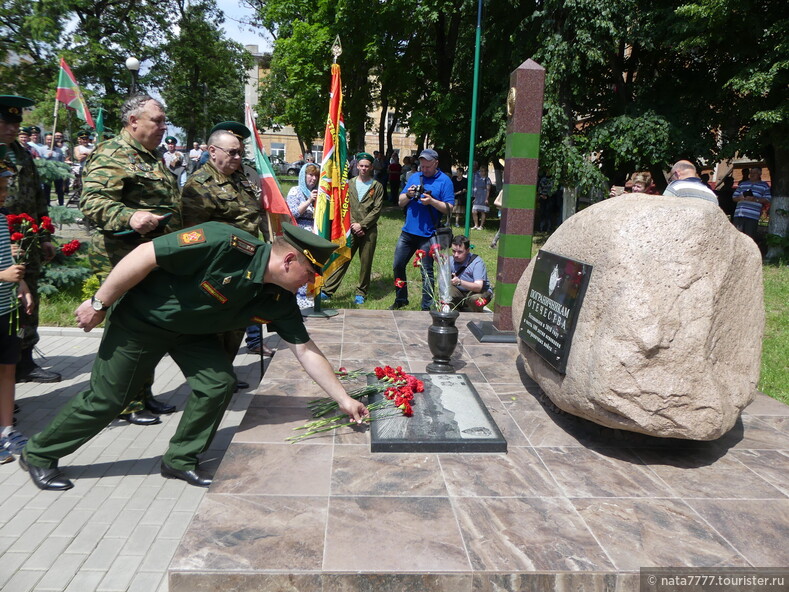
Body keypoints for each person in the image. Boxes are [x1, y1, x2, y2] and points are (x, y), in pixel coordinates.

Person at [19, 222, 369, 491]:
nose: (310, 284)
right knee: (109, 399)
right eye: (310, 275)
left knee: (218, 384)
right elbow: (145, 255)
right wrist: (99, 303)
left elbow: (304, 349)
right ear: (290, 260)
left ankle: (179, 459)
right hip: (142, 322)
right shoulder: (223, 242)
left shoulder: (279, 298)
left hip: (191, 333)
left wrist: (343, 399)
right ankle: (38, 453)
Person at [79, 94, 182, 425]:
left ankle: (142, 394)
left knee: (146, 329)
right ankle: (121, 403)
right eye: (158, 120)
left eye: (164, 121)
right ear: (133, 121)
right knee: (126, 332)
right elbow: (92, 202)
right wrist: (129, 216)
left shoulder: (151, 157)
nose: (163, 127)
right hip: (120, 259)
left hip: (151, 259)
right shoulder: (113, 154)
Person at [182, 121, 273, 362]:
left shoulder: (241, 177)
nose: (237, 157)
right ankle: (214, 378)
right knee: (216, 330)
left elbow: (255, 214)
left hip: (244, 267)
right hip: (217, 272)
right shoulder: (199, 185)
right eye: (232, 152)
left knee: (236, 325)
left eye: (240, 152)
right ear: (212, 151)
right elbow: (191, 235)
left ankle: (226, 369)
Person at [0, 95, 60, 383]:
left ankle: (25, 361)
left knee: (29, 297)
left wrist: (45, 235)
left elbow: (38, 197)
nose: (12, 129)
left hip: (27, 238)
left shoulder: (22, 154)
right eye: (5, 123)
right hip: (2, 240)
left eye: (16, 123)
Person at [391, 148, 454, 310]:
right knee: (398, 265)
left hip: (428, 235)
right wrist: (409, 195)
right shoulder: (414, 177)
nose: (424, 170)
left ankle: (426, 306)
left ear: (436, 164)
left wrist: (432, 201)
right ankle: (401, 298)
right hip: (407, 232)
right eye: (422, 166)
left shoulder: (445, 181)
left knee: (426, 272)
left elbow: (449, 208)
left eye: (428, 167)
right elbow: (400, 201)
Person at [0, 164, 34, 460]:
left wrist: (21, 283)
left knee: (8, 369)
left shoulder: (0, 220)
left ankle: (7, 430)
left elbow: (6, 262)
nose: (4, 194)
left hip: (5, 309)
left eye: (5, 187)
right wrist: (2, 276)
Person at [321, 152, 385, 304]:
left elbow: (377, 210)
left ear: (371, 168)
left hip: (368, 230)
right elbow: (343, 206)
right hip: (350, 228)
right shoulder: (349, 184)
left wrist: (362, 225)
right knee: (342, 258)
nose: (363, 169)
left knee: (365, 262)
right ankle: (328, 290)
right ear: (357, 166)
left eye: (366, 166)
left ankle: (361, 293)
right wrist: (352, 224)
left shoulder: (377, 186)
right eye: (361, 166)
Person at [287, 162, 320, 309]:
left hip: (315, 233)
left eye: (316, 176)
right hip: (299, 233)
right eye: (310, 174)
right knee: (301, 266)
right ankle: (298, 298)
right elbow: (291, 213)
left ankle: (310, 294)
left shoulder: (319, 191)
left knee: (312, 267)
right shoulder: (296, 191)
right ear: (303, 175)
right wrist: (309, 201)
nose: (313, 178)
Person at [449, 235, 493, 311]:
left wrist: (459, 282)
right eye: (453, 251)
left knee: (475, 299)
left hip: (479, 292)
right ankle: (454, 314)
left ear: (468, 250)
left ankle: (477, 318)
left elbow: (478, 287)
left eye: (460, 252)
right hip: (461, 291)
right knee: (446, 292)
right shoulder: (450, 260)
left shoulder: (477, 263)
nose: (456, 255)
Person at [732, 167, 771, 241]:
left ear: (760, 174)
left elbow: (768, 199)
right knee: (736, 238)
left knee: (749, 239)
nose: (752, 175)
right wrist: (741, 198)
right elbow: (734, 197)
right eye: (751, 173)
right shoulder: (743, 184)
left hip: (752, 216)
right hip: (739, 215)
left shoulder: (764, 185)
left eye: (754, 173)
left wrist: (755, 199)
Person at [41, 132, 67, 205]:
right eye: (48, 139)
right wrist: (46, 156)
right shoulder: (41, 149)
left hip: (57, 172)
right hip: (47, 173)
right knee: (46, 190)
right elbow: (39, 161)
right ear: (45, 140)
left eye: (51, 140)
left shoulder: (59, 150)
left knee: (60, 190)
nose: (49, 141)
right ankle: (47, 205)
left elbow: (62, 162)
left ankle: (61, 204)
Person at [471, 164, 492, 230]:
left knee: (483, 211)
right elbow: (476, 189)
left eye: (484, 171)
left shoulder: (487, 179)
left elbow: (488, 190)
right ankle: (476, 225)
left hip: (484, 196)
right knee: (474, 211)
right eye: (481, 171)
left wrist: (486, 199)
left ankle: (481, 226)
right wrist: (475, 197)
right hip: (478, 196)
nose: (482, 172)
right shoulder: (478, 179)